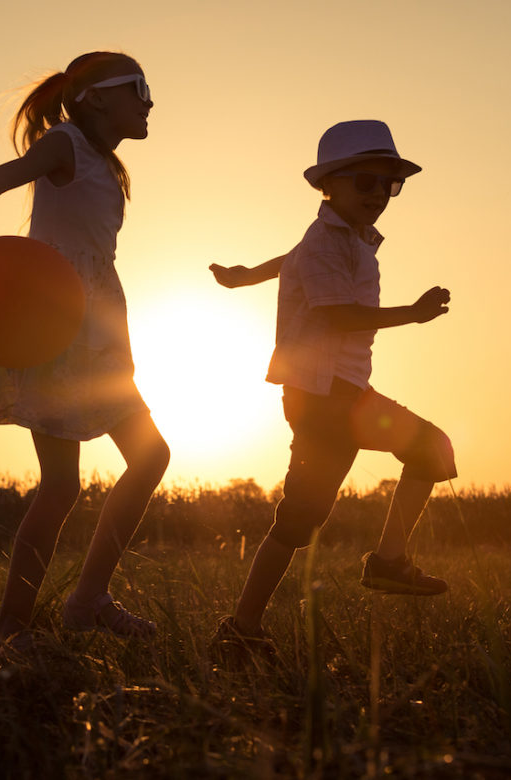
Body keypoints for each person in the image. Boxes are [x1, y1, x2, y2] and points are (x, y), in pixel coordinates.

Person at [0, 52, 169, 653]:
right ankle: (20, 624)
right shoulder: (65, 143)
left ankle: (73, 604)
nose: (149, 100)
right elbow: (0, 177)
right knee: (76, 480)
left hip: (93, 325)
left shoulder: (106, 163)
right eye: (138, 87)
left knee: (131, 464)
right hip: (51, 324)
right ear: (95, 97)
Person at [208, 120, 457, 660]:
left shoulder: (339, 239)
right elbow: (335, 314)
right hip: (326, 397)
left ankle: (242, 629)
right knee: (430, 447)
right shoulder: (327, 241)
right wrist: (412, 315)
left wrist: (248, 274)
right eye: (366, 182)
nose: (379, 196)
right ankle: (386, 564)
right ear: (330, 185)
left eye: (390, 186)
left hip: (331, 393)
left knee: (301, 516)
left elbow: (293, 259)